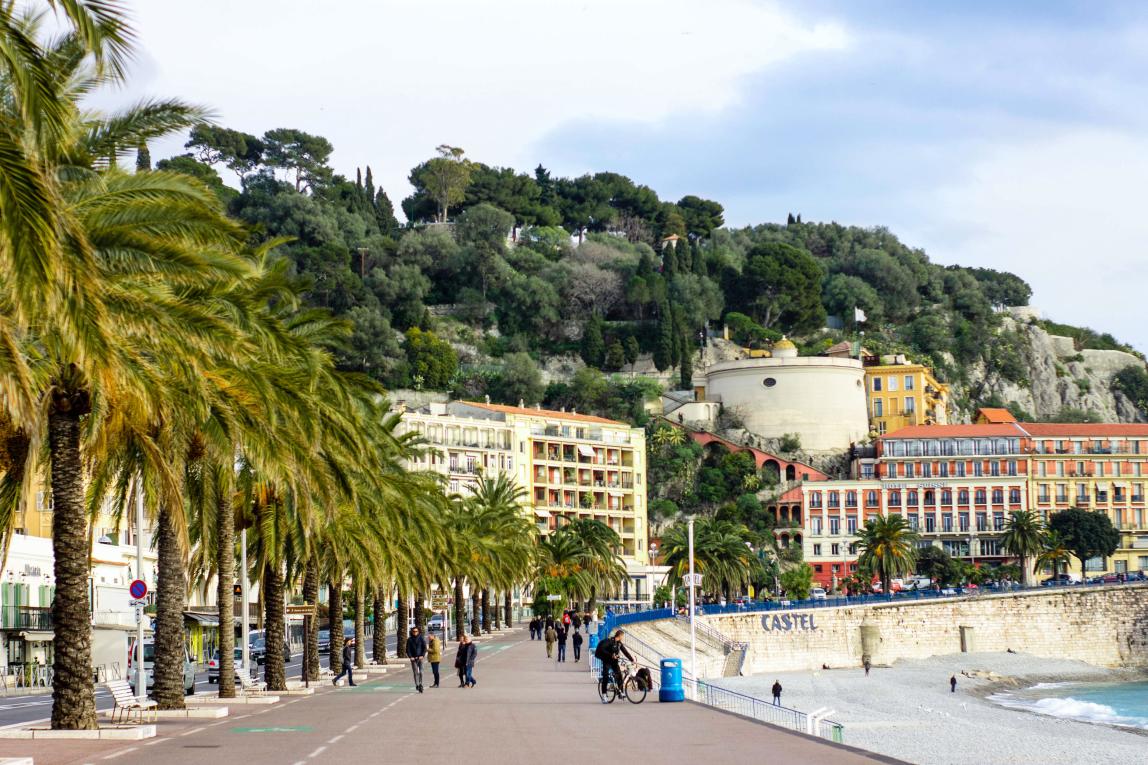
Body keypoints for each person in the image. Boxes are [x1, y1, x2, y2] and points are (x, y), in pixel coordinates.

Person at [594, 629, 635, 700]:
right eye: (623, 636)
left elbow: (625, 652)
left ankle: (620, 692)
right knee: (605, 676)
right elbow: (602, 649)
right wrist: (611, 655)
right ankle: (604, 695)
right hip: (606, 660)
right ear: (620, 635)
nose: (623, 638)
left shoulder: (619, 643)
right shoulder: (609, 641)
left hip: (614, 661)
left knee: (619, 675)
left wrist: (632, 660)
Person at [406, 626, 428, 693]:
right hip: (413, 658)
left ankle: (421, 684)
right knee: (415, 672)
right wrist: (410, 657)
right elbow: (407, 649)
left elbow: (424, 648)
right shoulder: (409, 639)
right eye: (414, 631)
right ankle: (417, 685)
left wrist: (422, 655)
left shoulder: (421, 638)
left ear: (418, 632)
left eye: (416, 631)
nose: (415, 632)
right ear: (412, 632)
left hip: (420, 658)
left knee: (421, 672)